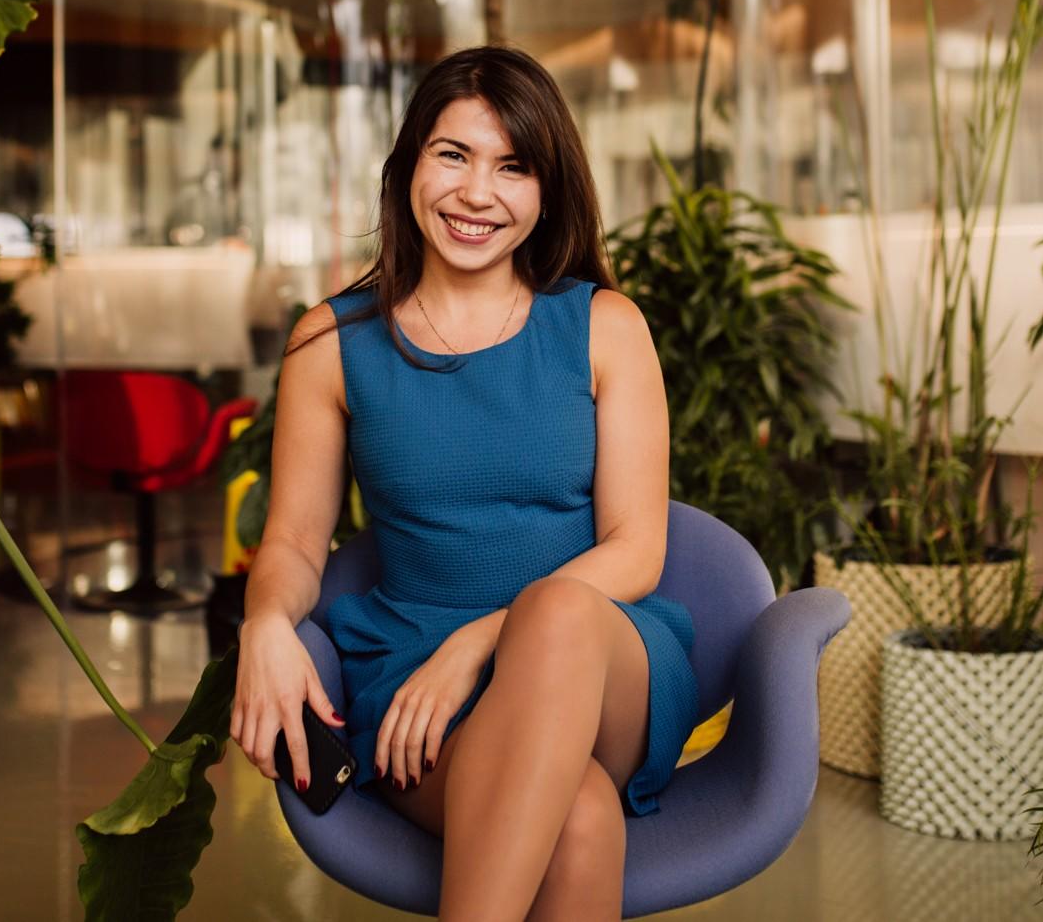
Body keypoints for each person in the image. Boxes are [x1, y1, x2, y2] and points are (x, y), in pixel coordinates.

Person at [231, 46, 695, 921]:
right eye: (453, 154)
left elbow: (637, 548)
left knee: (556, 612)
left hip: (600, 657)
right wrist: (264, 622)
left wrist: (479, 643)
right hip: (412, 671)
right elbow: (292, 540)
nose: (477, 193)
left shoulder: (605, 325)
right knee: (580, 819)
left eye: (513, 166)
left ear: (547, 190)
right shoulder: (330, 342)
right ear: (410, 162)